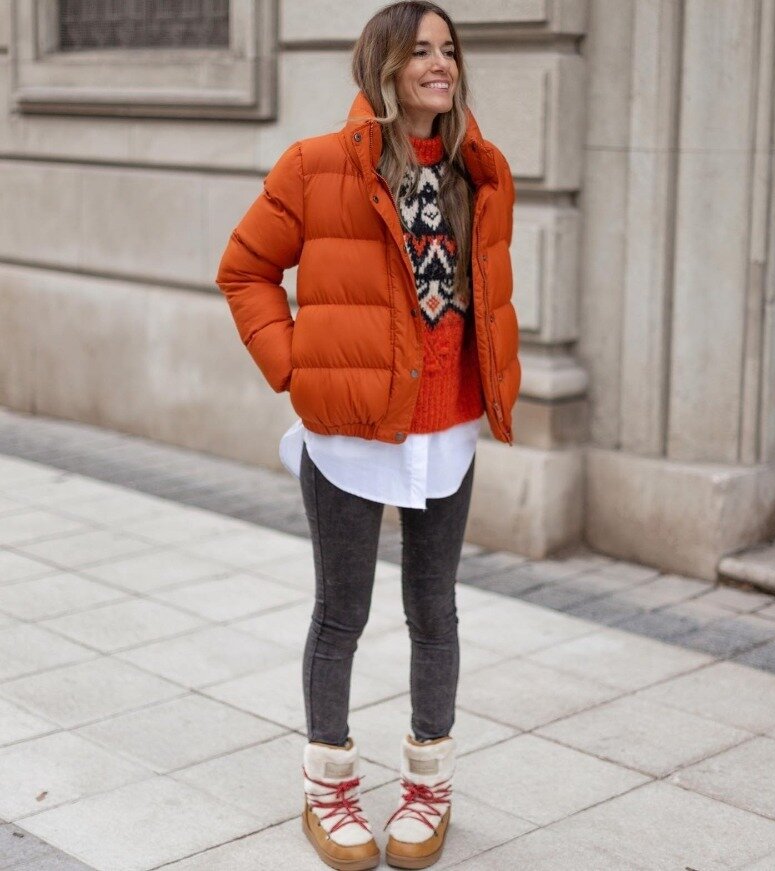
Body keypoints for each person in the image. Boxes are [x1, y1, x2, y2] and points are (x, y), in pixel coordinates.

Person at [216, 2, 520, 867]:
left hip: (446, 431)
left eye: (449, 50)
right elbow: (244, 269)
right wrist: (295, 368)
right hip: (348, 434)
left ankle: (429, 785)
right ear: (383, 66)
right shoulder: (315, 166)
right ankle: (329, 787)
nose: (441, 64)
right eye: (421, 51)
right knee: (341, 613)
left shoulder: (479, 171)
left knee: (435, 611)